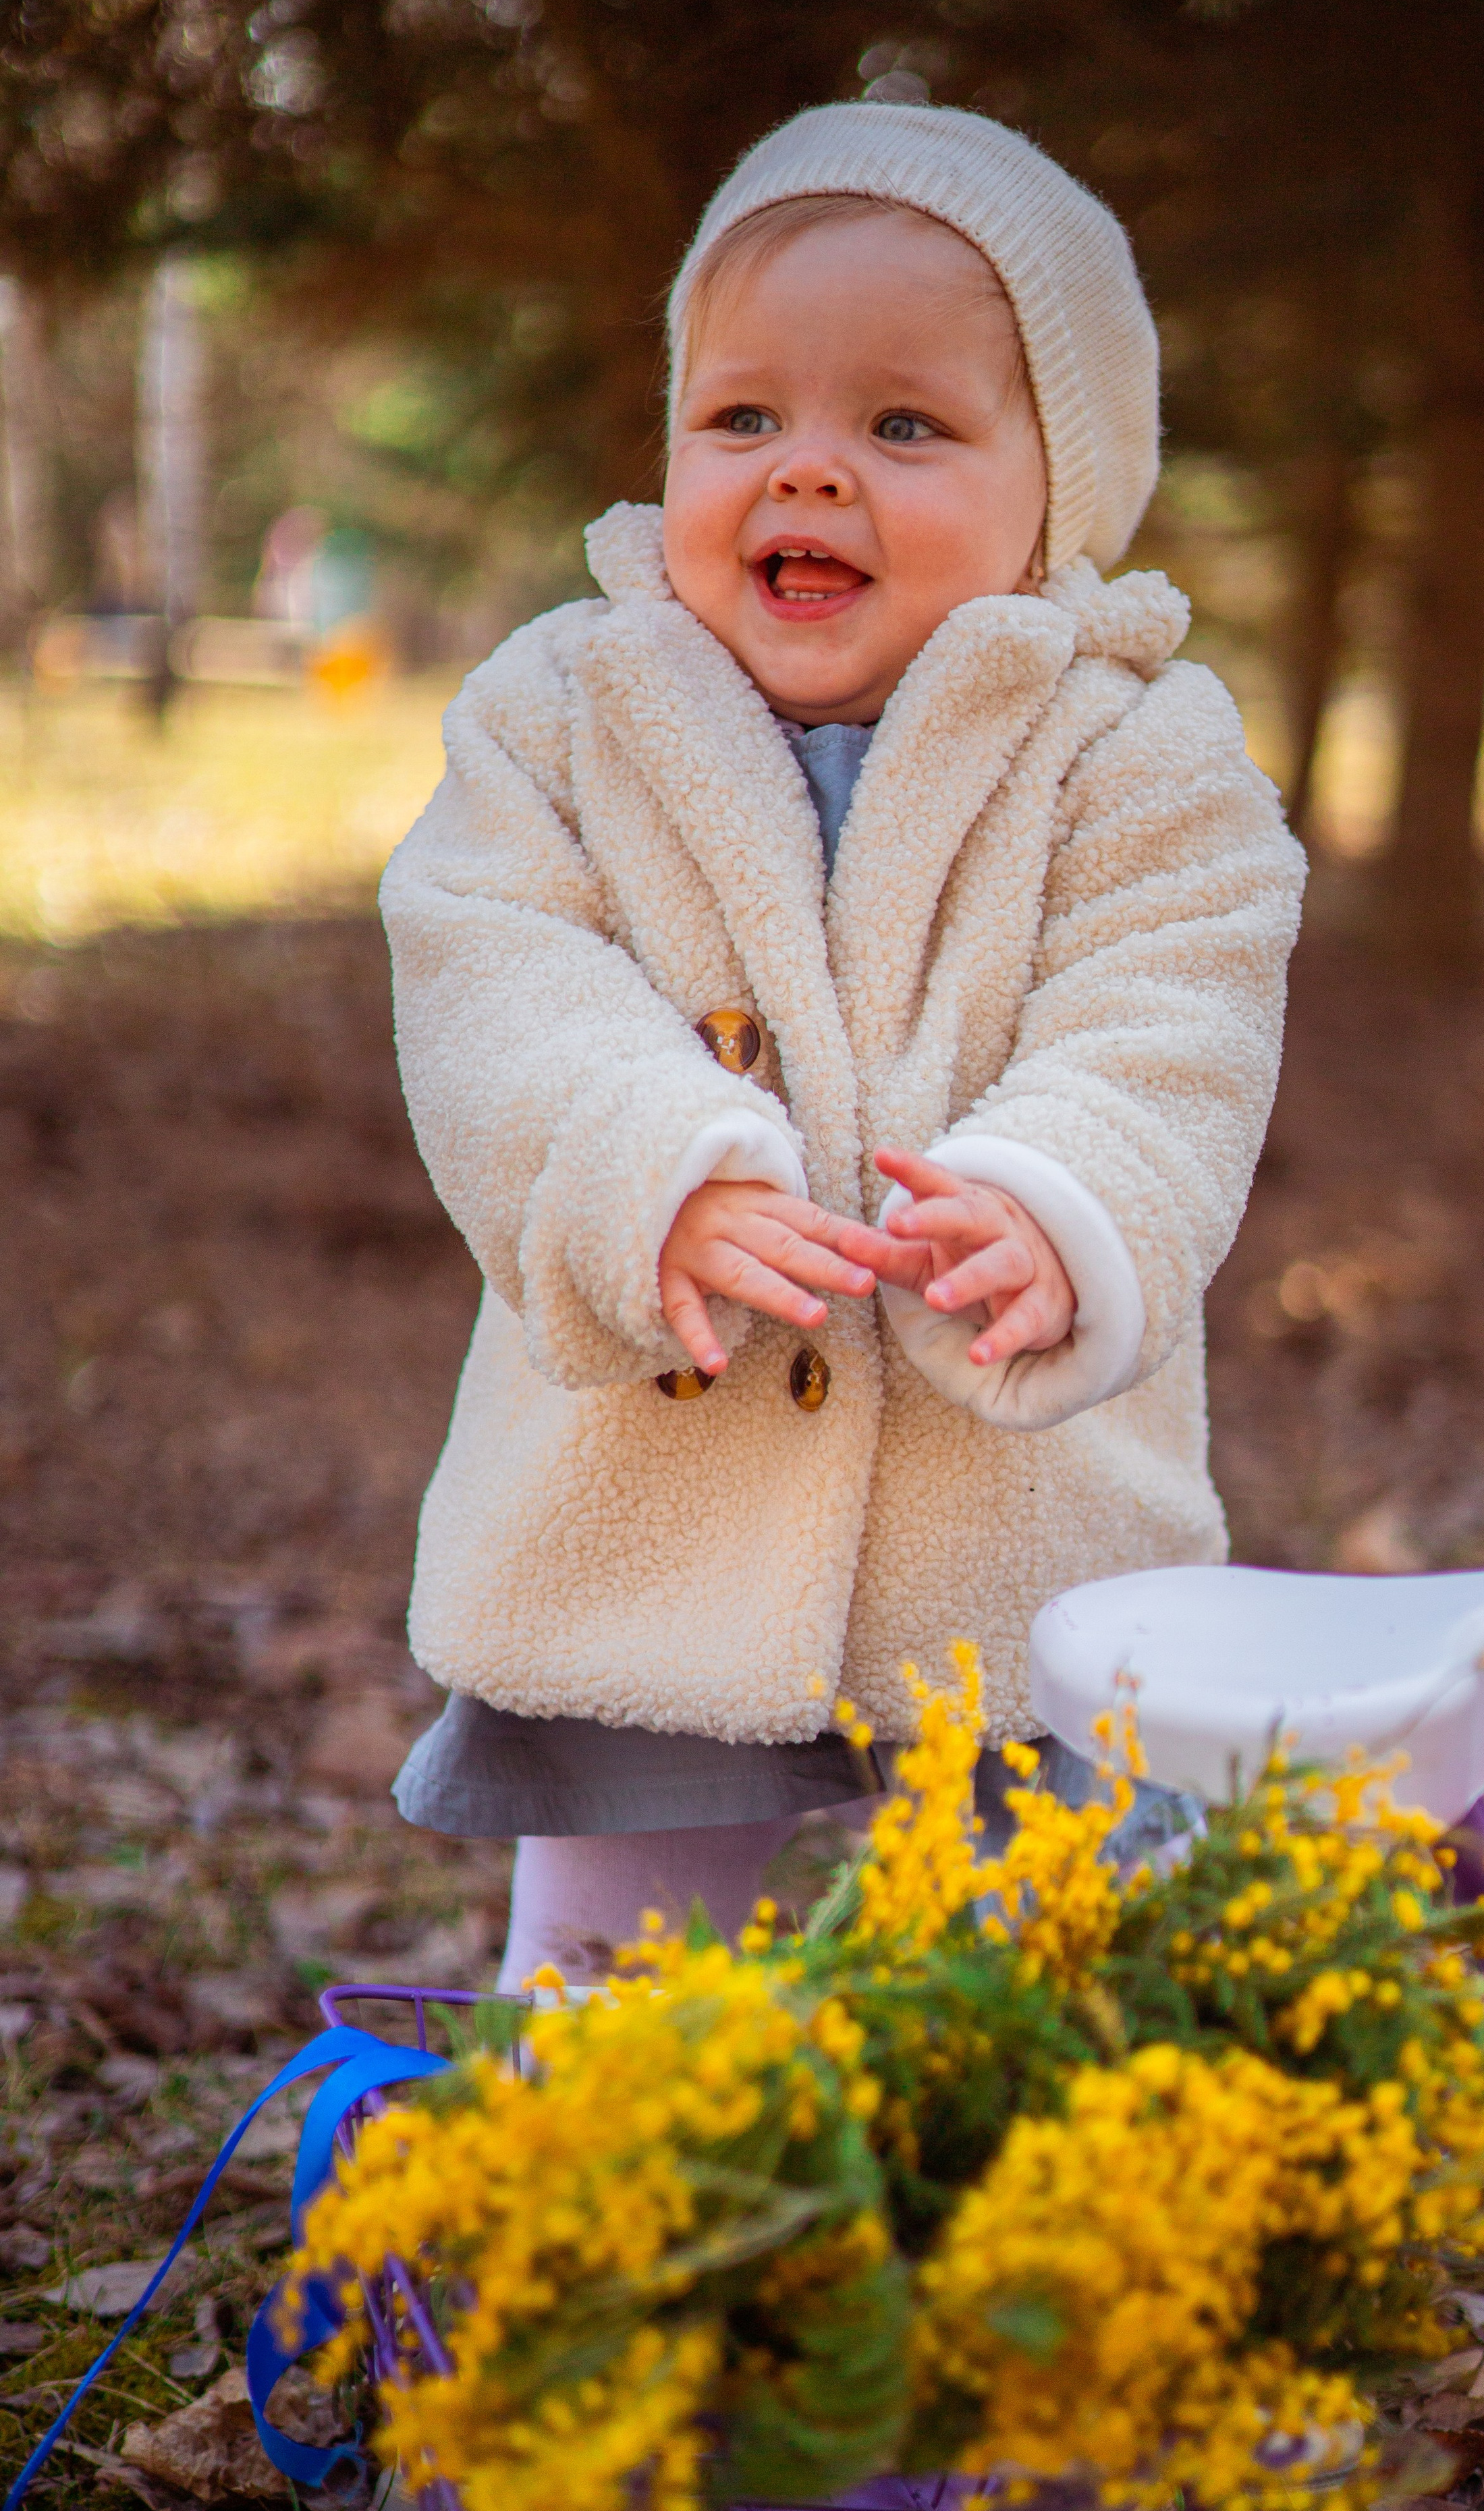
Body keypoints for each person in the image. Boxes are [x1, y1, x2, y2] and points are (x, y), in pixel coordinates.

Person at [381, 103, 1305, 1988]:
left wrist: (1063, 1202)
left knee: (1040, 1946)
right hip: (652, 1467)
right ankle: (608, 2183)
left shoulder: (1136, 750)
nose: (808, 475)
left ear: (1064, 486)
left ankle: (1007, 2218)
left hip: (1002, 1493)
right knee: (625, 1965)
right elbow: (495, 972)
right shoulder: (567, 711)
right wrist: (646, 1169)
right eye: (745, 420)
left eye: (903, 426)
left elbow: (1175, 1008)